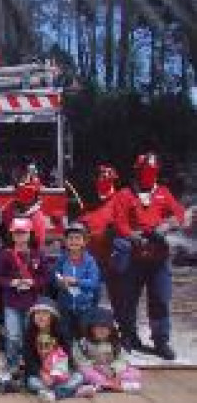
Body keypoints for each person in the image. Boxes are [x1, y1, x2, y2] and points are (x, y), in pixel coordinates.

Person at [112, 152, 185, 359]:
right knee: (128, 300)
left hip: (158, 259)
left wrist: (167, 225)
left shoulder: (163, 192)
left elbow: (179, 214)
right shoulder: (125, 194)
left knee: (160, 299)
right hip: (133, 258)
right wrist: (133, 236)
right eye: (144, 171)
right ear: (137, 171)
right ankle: (128, 336)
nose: (148, 175)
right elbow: (119, 222)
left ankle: (161, 340)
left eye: (152, 171)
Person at [0, 217, 49, 374]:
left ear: (30, 234)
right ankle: (12, 365)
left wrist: (33, 282)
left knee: (30, 334)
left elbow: (46, 277)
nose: (20, 236)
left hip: (32, 303)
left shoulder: (37, 254)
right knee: (13, 335)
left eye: (23, 233)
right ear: (12, 235)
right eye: (16, 233)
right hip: (11, 302)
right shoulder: (5, 255)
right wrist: (12, 282)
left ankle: (29, 364)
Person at [80, 164, 122, 315]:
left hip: (113, 261)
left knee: (119, 301)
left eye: (107, 178)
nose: (103, 181)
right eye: (100, 178)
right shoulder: (88, 200)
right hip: (92, 259)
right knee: (90, 298)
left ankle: (121, 324)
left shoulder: (120, 201)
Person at [51, 222, 101, 341]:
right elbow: (54, 277)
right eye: (70, 238)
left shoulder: (90, 261)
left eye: (78, 238)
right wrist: (60, 283)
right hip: (64, 306)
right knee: (65, 336)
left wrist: (77, 281)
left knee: (83, 336)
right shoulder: (62, 259)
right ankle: (67, 352)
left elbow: (94, 282)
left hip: (85, 307)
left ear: (84, 241)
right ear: (65, 241)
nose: (74, 241)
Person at [74, 307, 142, 393]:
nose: (102, 330)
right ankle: (112, 385)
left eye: (106, 328)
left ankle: (109, 384)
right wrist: (97, 367)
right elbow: (80, 360)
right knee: (86, 372)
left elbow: (122, 359)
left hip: (112, 370)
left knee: (136, 373)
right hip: (94, 370)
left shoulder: (115, 343)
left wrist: (114, 370)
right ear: (91, 328)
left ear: (111, 330)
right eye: (98, 327)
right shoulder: (83, 343)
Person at [27, 333, 93, 403]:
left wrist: (52, 378)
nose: (43, 350)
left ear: (53, 345)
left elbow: (62, 376)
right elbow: (35, 371)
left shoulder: (60, 354)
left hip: (61, 381)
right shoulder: (35, 356)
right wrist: (43, 375)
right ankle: (76, 392)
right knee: (31, 381)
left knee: (79, 376)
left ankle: (53, 394)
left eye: (47, 345)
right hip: (46, 383)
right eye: (40, 346)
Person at [0, 165, 48, 250]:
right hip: (11, 251)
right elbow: (3, 233)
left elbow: (37, 244)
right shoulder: (8, 209)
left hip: (30, 253)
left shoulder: (37, 217)